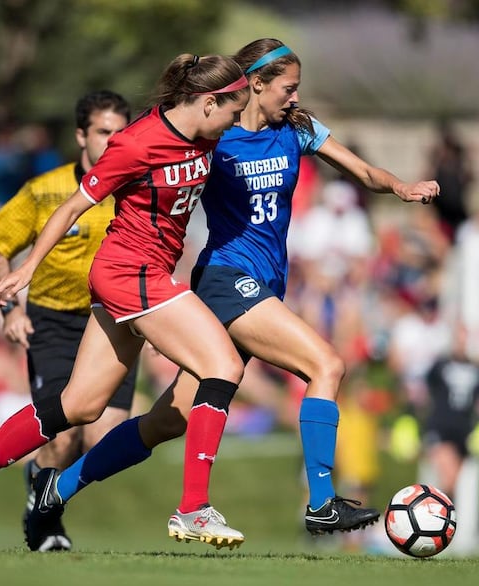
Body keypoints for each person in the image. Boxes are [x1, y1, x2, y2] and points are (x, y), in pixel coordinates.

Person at [26, 38, 440, 546]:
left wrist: (399, 187)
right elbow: (155, 164)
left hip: (265, 285)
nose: (295, 97)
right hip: (225, 278)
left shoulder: (299, 129)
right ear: (256, 84)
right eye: (288, 88)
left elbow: (366, 173)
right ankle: (321, 503)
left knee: (165, 422)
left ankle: (55, 490)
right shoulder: (215, 137)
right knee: (326, 365)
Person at [0, 52, 251, 549]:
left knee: (79, 405)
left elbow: (256, 117)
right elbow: (72, 207)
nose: (236, 122)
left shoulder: (206, 134)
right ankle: (193, 509)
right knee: (223, 366)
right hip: (130, 273)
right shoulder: (138, 142)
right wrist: (27, 269)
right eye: (233, 112)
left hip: (141, 276)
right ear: (209, 103)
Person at [0, 90, 137, 551]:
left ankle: (39, 479)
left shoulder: (136, 187)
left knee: (105, 439)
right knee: (63, 433)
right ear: (81, 136)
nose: (112, 141)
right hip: (54, 323)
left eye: (120, 133)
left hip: (115, 322)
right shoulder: (44, 190)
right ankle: (47, 524)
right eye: (103, 132)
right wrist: (10, 309)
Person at [422, 325, 479, 499]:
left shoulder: (478, 370)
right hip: (441, 427)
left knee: (453, 484)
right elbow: (425, 391)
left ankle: (443, 513)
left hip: (463, 430)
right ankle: (434, 511)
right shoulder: (440, 365)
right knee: (448, 478)